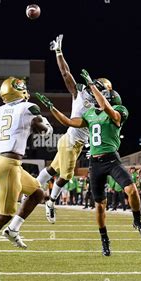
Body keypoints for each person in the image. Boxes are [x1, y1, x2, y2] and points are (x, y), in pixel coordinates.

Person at [36, 69, 141, 257]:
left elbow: (106, 108)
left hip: (112, 159)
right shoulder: (90, 114)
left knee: (131, 190)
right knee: (99, 206)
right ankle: (105, 240)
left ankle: (137, 221)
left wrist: (90, 85)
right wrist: (51, 108)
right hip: (95, 163)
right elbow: (68, 122)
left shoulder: (119, 111)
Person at [0, 77, 53, 266]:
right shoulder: (28, 107)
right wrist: (45, 126)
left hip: (9, 163)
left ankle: (13, 231)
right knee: (4, 214)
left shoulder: (0, 110)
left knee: (38, 193)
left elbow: (0, 134)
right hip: (8, 166)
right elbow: (43, 129)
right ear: (20, 90)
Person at [35, 35, 110, 224]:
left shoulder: (102, 106)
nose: (105, 94)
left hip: (73, 142)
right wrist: (59, 52)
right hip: (71, 142)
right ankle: (51, 202)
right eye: (104, 90)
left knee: (52, 169)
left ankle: (30, 190)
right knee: (65, 176)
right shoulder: (81, 94)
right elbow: (65, 73)